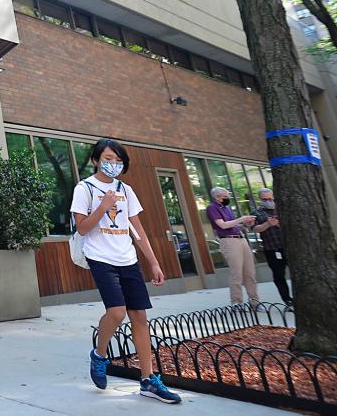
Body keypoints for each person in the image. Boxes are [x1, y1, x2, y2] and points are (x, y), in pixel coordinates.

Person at [72, 138, 182, 404]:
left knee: (139, 317)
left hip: (128, 258)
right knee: (117, 312)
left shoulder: (126, 189)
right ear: (96, 160)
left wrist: (153, 262)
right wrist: (103, 205)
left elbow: (137, 229)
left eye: (118, 160)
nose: (113, 164)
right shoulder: (84, 188)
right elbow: (83, 228)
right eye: (108, 159)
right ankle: (99, 354)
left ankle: (148, 381)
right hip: (100, 257)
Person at [206, 186, 260, 307]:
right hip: (229, 241)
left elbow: (234, 225)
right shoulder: (212, 208)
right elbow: (223, 225)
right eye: (225, 197)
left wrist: (245, 223)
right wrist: (241, 219)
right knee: (237, 273)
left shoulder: (227, 208)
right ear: (217, 197)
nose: (227, 198)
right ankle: (236, 303)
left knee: (250, 272)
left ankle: (255, 301)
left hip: (241, 239)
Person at [252, 188, 292, 306]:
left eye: (270, 199)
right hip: (272, 248)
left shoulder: (281, 209)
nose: (268, 201)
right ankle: (287, 300)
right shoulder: (256, 213)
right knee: (279, 276)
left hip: (289, 247)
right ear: (260, 199)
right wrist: (268, 224)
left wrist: (279, 224)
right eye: (265, 199)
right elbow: (255, 229)